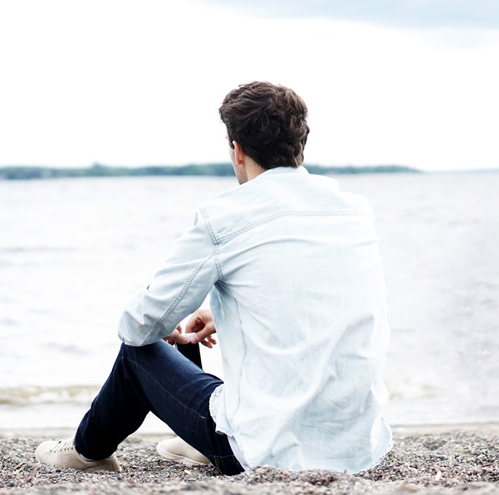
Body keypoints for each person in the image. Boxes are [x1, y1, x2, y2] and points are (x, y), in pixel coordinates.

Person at [35, 82, 392, 474]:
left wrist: (163, 325)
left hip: (262, 451)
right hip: (358, 447)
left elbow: (138, 325)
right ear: (300, 144)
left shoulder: (225, 217)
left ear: (237, 150)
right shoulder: (354, 211)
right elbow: (321, 301)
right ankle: (197, 439)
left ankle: (88, 452)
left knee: (138, 354)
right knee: (180, 336)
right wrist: (222, 314)